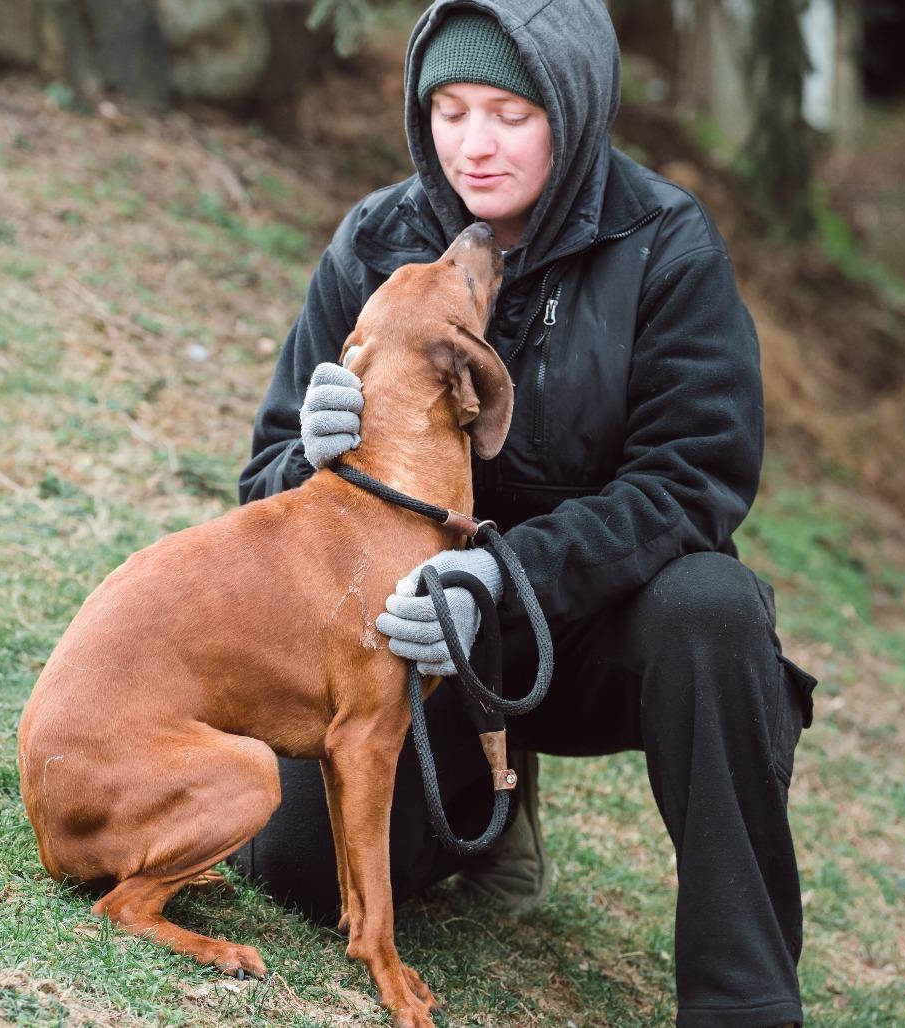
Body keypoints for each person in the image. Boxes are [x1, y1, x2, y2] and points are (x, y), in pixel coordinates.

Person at [234, 2, 817, 1025]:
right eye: (449, 109)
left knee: (716, 608)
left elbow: (693, 480)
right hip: (419, 645)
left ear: (574, 107)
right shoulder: (377, 238)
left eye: (508, 112)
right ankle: (487, 809)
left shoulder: (663, 243)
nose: (472, 144)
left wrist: (506, 576)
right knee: (289, 869)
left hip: (597, 629)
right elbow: (263, 482)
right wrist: (311, 451)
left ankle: (744, 997)